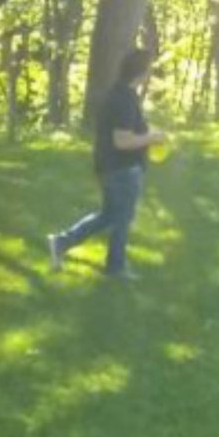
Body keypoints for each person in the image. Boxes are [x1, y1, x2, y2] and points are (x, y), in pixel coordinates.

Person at [47, 47, 167, 280]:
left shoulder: (121, 93)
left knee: (108, 215)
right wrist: (152, 138)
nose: (150, 74)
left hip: (110, 166)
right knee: (122, 219)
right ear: (141, 73)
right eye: (149, 70)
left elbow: (127, 130)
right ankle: (116, 267)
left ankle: (61, 242)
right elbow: (122, 141)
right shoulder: (124, 99)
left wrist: (147, 131)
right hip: (122, 169)